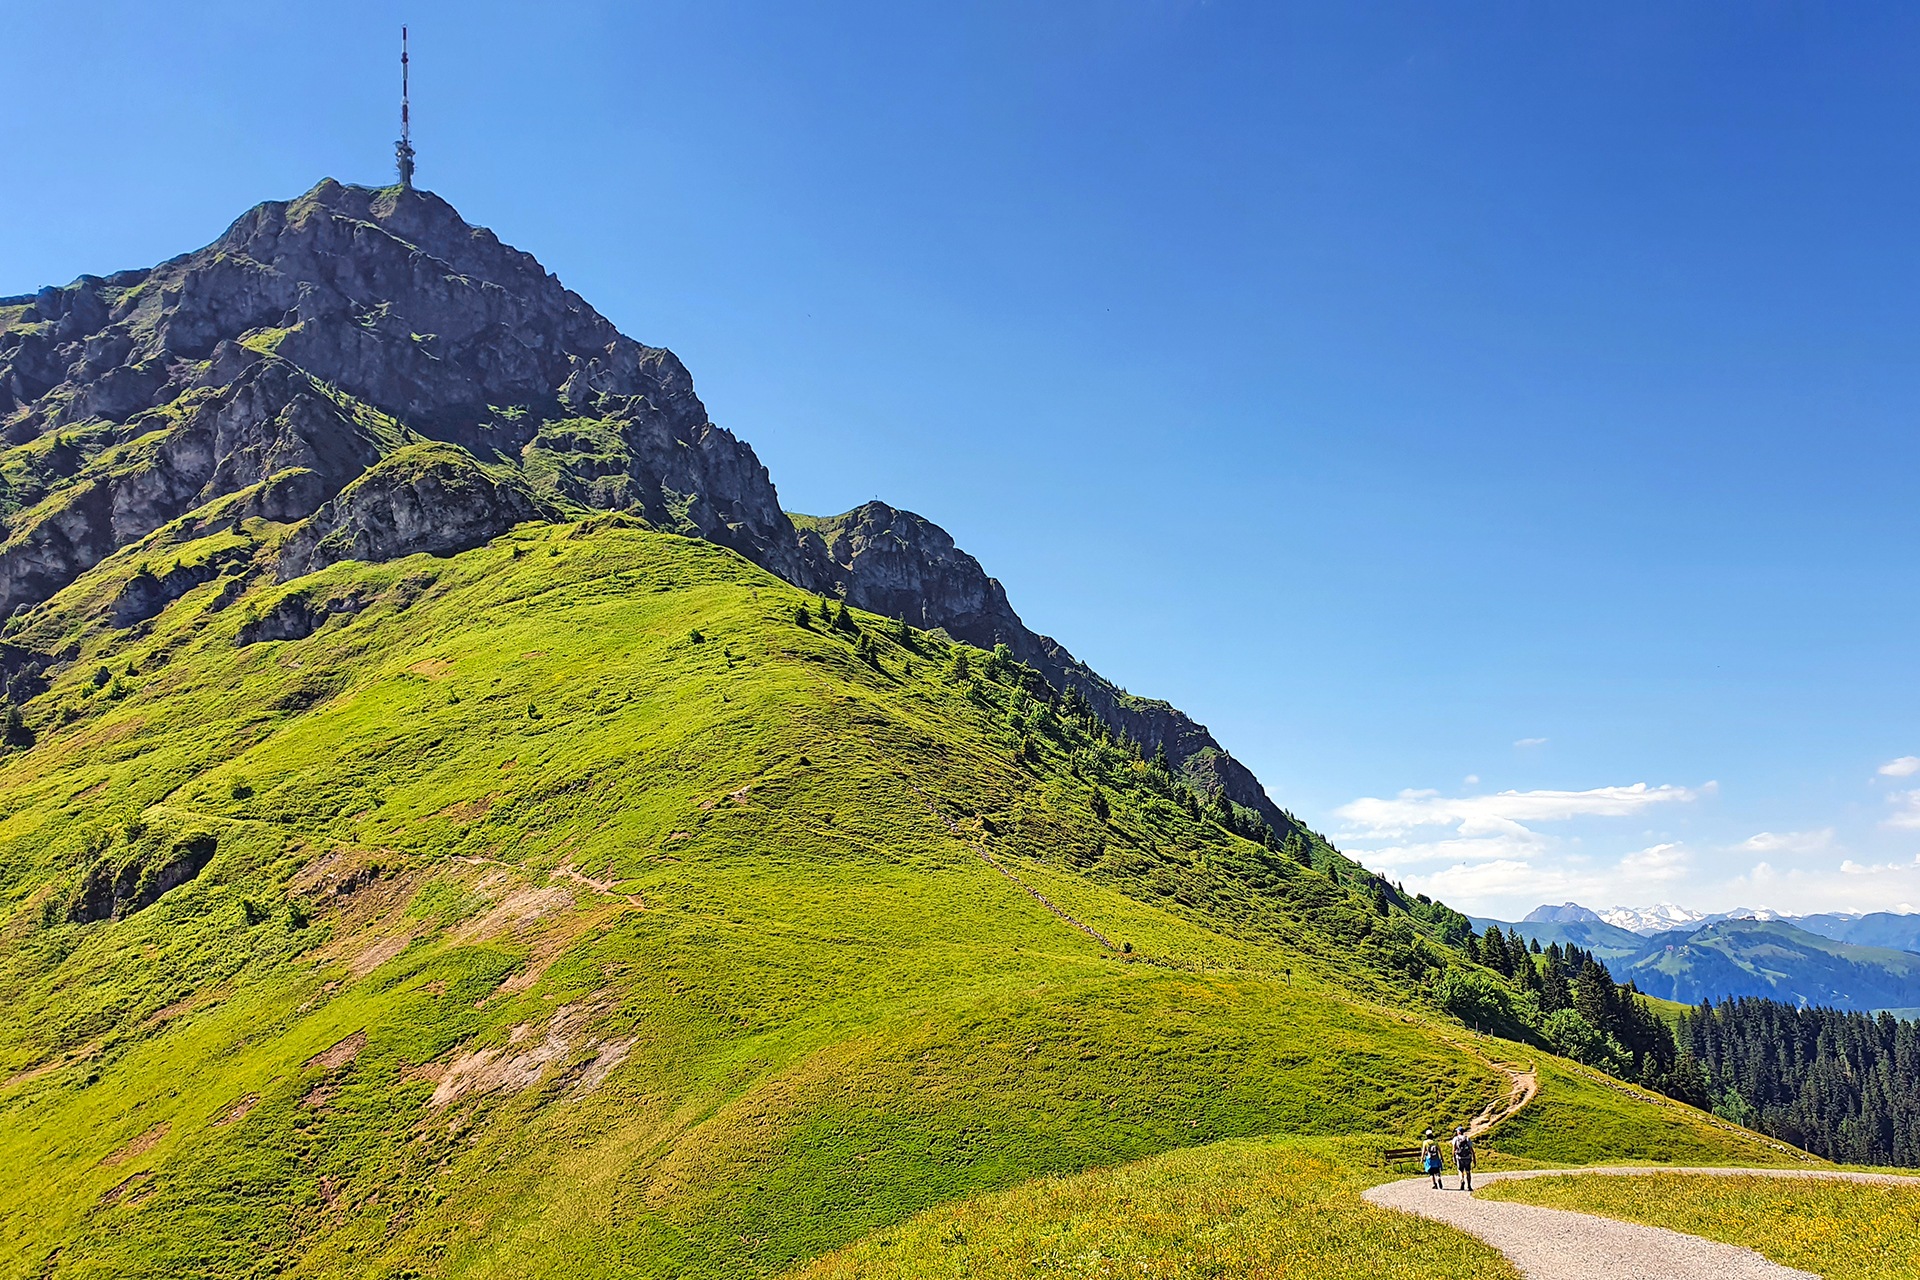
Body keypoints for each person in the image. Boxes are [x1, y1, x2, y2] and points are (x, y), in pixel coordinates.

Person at [1451, 1125, 1475, 1191]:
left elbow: (1454, 1149)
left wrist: (1453, 1157)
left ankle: (1462, 1180)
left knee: (1460, 1170)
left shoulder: (1455, 1139)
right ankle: (1469, 1186)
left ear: (1459, 1132)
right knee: (1468, 1171)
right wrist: (1474, 1158)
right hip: (1467, 1157)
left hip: (1459, 1157)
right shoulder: (1467, 1138)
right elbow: (1471, 1149)